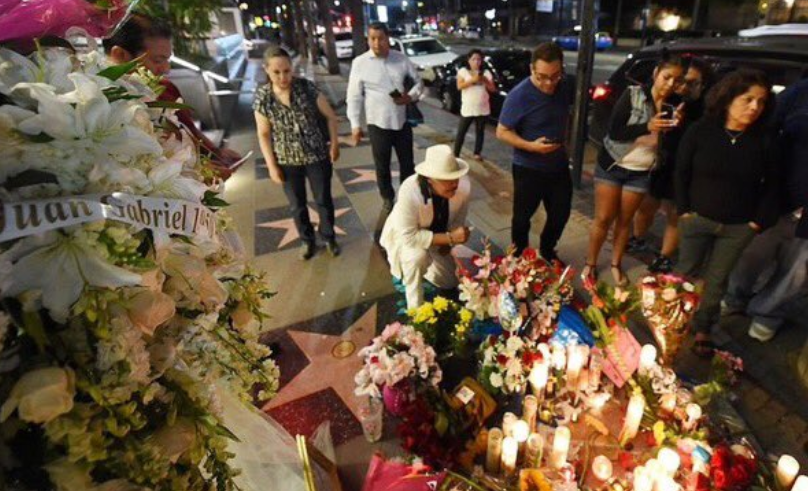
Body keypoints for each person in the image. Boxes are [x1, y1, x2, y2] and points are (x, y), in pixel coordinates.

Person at [675, 69, 779, 357]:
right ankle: (673, 317)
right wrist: (684, 210)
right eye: (748, 99)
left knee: (718, 281)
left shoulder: (765, 140)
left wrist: (757, 222)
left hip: (738, 226)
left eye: (761, 101)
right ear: (728, 98)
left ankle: (703, 327)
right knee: (684, 272)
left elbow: (774, 184)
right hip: (697, 219)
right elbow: (681, 171)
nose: (754, 107)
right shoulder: (701, 130)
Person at [103, 13, 242, 179]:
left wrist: (216, 154)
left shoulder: (165, 89)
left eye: (168, 59)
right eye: (158, 60)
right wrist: (196, 173)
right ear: (119, 55)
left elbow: (189, 132)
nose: (166, 68)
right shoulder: (103, 105)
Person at [584, 57, 686, 284]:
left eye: (676, 80)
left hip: (640, 171)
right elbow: (615, 130)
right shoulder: (633, 94)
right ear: (656, 74)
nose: (670, 84)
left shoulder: (675, 105)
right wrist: (647, 126)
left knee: (625, 221)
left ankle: (615, 264)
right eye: (666, 77)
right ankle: (590, 264)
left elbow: (670, 147)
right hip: (613, 164)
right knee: (603, 218)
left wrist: (676, 128)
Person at [723, 77, 808, 342]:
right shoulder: (800, 93)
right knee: (751, 256)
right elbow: (764, 130)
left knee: (797, 271)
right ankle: (735, 296)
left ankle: (768, 312)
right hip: (779, 199)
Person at [253, 46, 341, 260]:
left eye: (286, 71)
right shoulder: (263, 97)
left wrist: (335, 143)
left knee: (323, 199)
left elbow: (330, 116)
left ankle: (329, 237)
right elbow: (264, 134)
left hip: (317, 156)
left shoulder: (306, 88)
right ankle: (307, 240)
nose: (283, 77)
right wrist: (272, 166)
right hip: (286, 160)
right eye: (276, 72)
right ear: (267, 70)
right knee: (297, 205)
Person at [630, 57, 713, 273]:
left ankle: (665, 256)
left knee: (675, 214)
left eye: (692, 83)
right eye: (681, 81)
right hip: (662, 163)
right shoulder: (669, 101)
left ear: (703, 85)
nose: (684, 87)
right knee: (647, 206)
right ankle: (637, 238)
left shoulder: (707, 110)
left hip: (687, 169)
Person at [496, 42, 575, 261]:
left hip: (558, 165)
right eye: (542, 77)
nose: (549, 83)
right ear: (532, 69)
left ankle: (548, 250)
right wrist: (532, 146)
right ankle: (520, 257)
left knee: (560, 214)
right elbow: (502, 132)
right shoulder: (518, 95)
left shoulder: (566, 85)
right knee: (522, 218)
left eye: (555, 75)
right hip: (527, 167)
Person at [380, 144, 471, 309]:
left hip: (437, 235)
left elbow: (458, 219)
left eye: (456, 177)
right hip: (407, 237)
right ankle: (414, 306)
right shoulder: (409, 190)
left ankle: (426, 265)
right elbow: (408, 237)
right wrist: (449, 238)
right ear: (430, 178)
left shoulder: (464, 186)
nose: (454, 184)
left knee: (449, 282)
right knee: (416, 257)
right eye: (447, 180)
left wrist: (450, 241)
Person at [346, 22, 424, 213]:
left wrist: (410, 97)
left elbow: (419, 83)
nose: (377, 43)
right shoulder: (360, 63)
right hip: (377, 123)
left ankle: (408, 197)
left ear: (388, 38)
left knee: (408, 164)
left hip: (402, 122)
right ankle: (387, 198)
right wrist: (355, 125)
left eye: (381, 38)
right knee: (382, 165)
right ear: (368, 39)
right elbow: (354, 96)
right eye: (372, 38)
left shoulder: (401, 59)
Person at [453, 49, 495, 159]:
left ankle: (477, 152)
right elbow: (459, 86)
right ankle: (456, 154)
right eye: (474, 59)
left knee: (480, 131)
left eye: (479, 59)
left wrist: (485, 80)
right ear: (469, 60)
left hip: (482, 107)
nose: (476, 62)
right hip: (468, 108)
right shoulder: (463, 71)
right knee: (461, 132)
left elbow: (492, 89)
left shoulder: (486, 73)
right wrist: (472, 80)